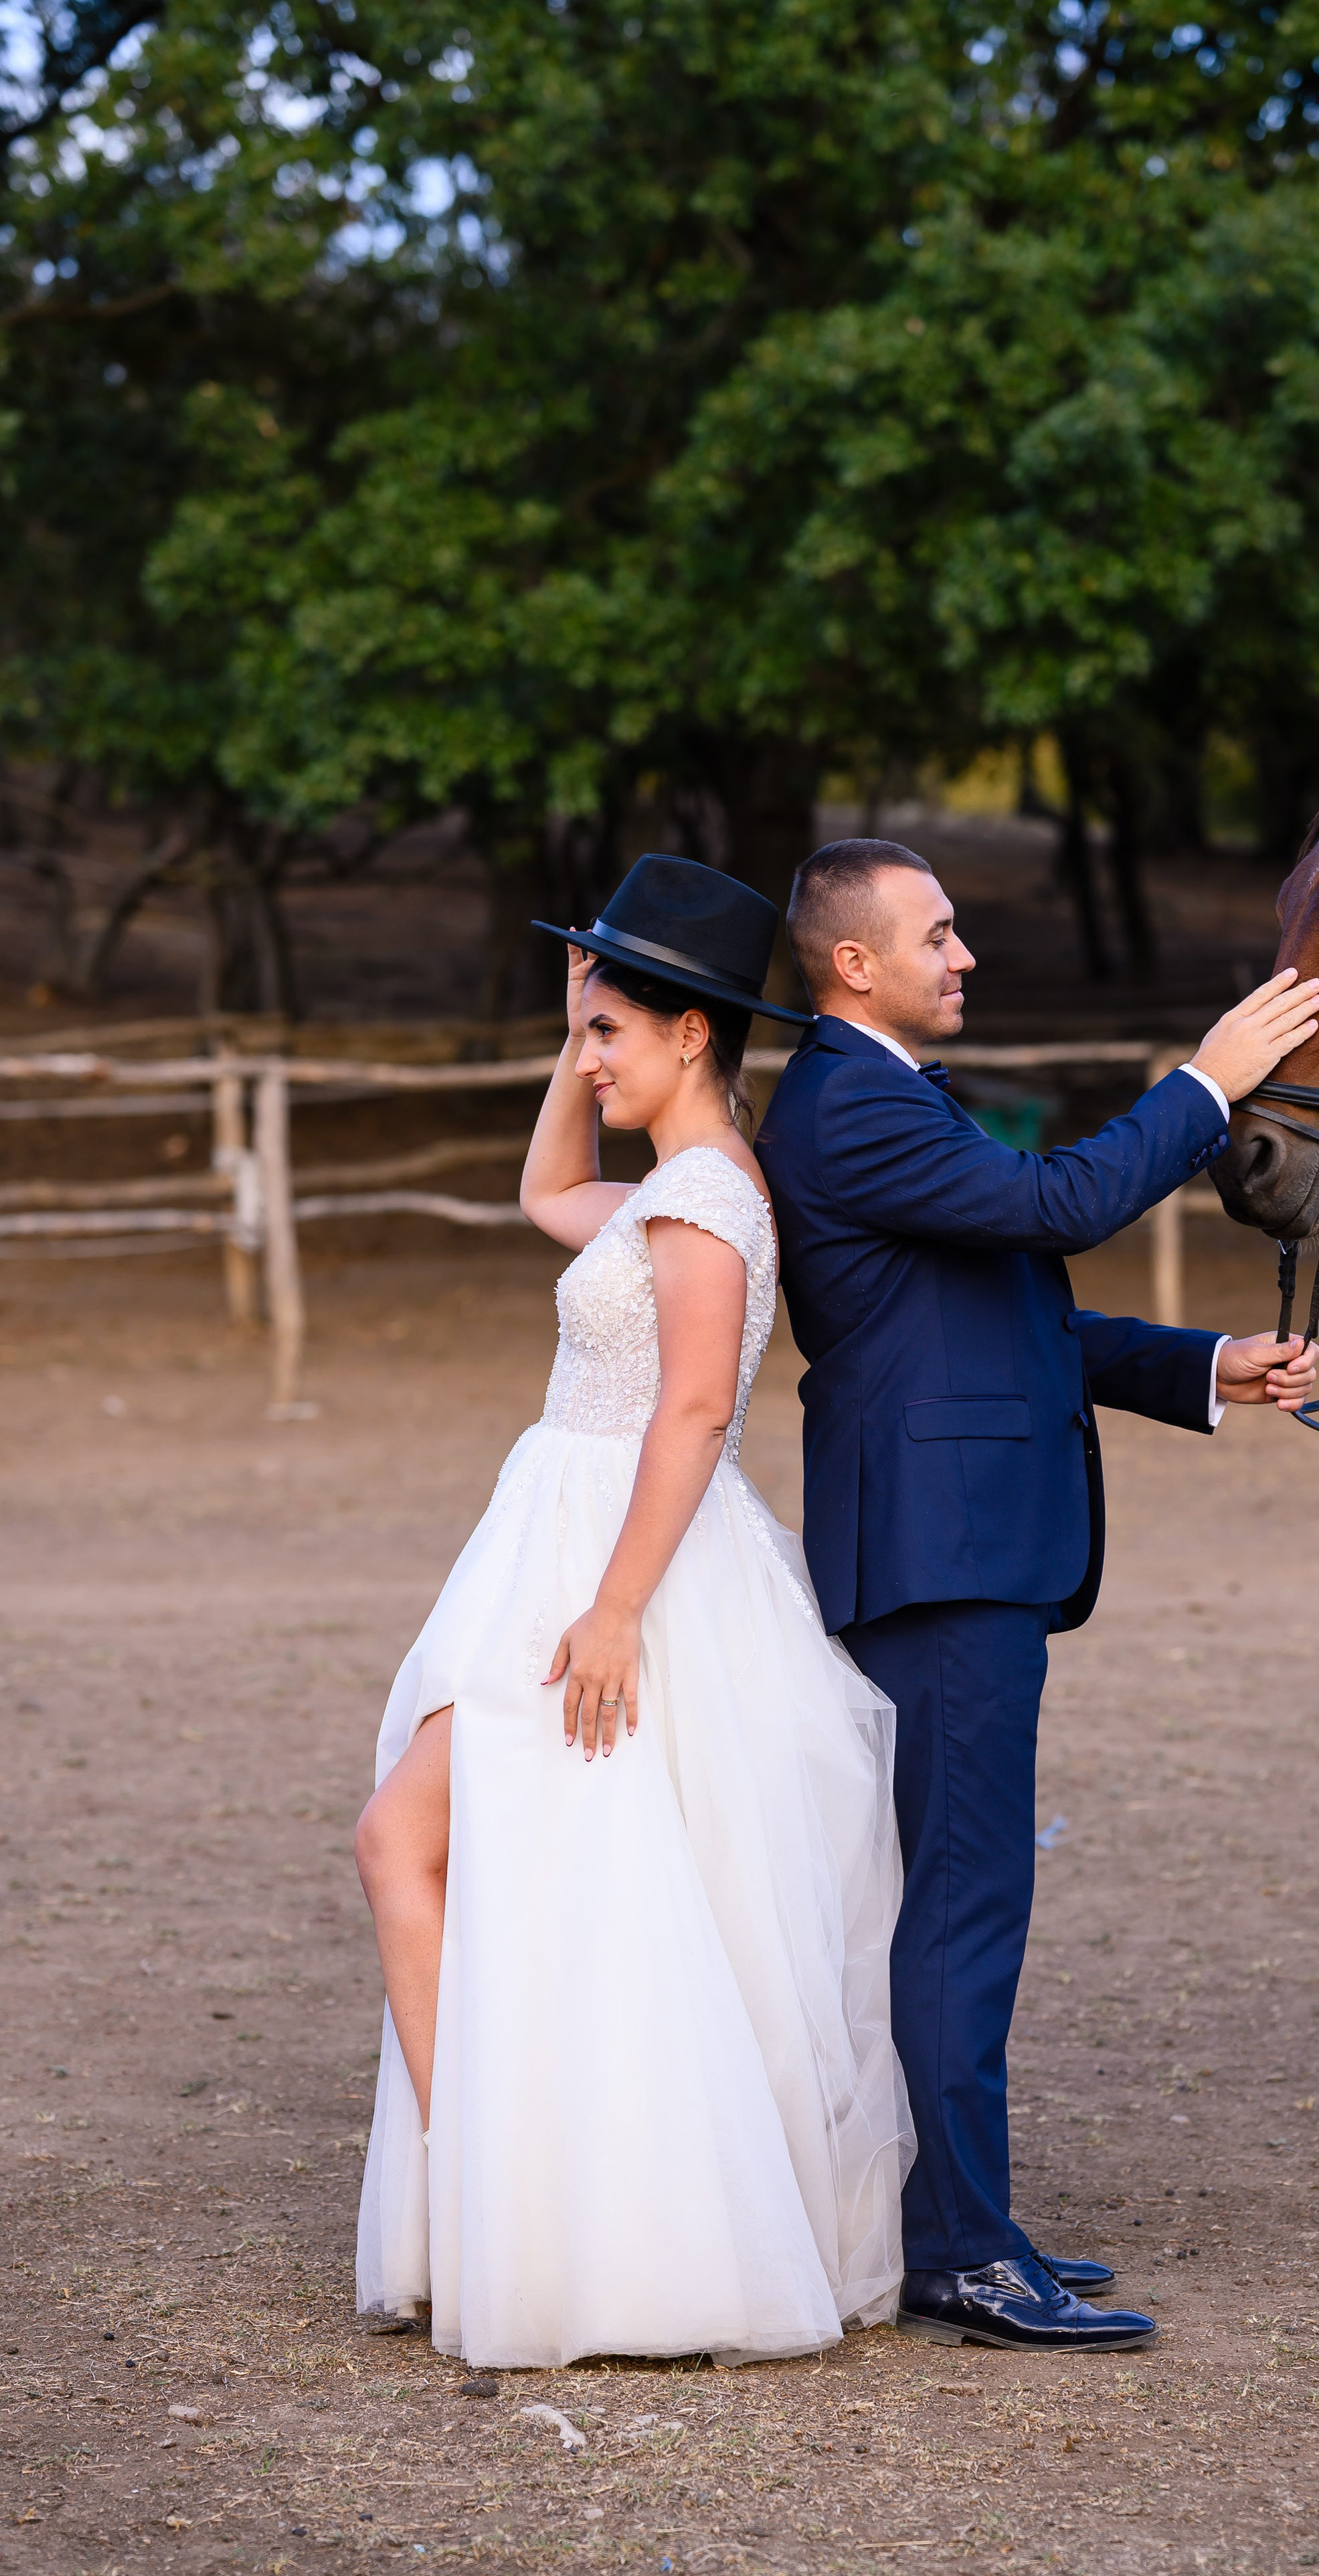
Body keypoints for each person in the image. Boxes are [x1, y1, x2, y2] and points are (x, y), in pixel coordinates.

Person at [753, 837, 1319, 2353]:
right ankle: (958, 2253)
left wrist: (1202, 1366)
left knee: (956, 1898)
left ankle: (955, 2224)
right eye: (936, 935)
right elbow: (1058, 1206)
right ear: (852, 963)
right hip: (940, 1558)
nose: (965, 956)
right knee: (962, 1906)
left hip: (952, 1547)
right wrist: (1204, 1087)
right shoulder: (847, 1100)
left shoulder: (879, 1095)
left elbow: (995, 1314)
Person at [351, 856, 911, 2368]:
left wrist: (611, 1612)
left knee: (415, 1843)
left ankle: (502, 2199)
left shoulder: (709, 1199)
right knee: (558, 1882)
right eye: (585, 1030)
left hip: (619, 1568)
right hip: (564, 1544)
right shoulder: (671, 1187)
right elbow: (545, 1193)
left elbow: (692, 1413)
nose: (589, 1059)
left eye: (610, 1032)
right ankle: (510, 2199)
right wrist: (577, 1028)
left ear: (692, 1035)